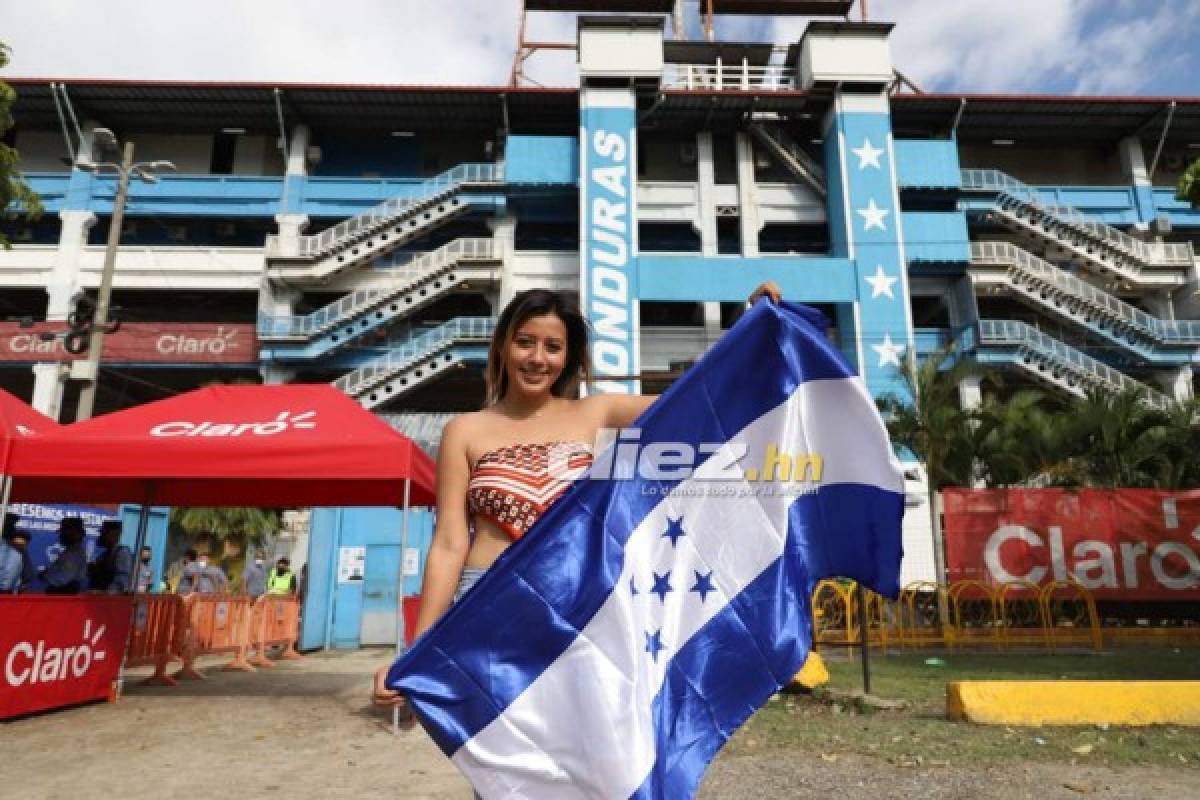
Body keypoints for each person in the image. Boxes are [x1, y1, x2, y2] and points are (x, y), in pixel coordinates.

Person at [372, 284, 781, 715]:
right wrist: (415, 652)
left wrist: (748, 332)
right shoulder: (464, 431)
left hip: (576, 606)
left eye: (553, 347)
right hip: (486, 608)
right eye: (525, 341)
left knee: (582, 755)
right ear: (504, 345)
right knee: (499, 759)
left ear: (568, 357)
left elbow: (700, 404)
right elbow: (450, 544)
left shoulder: (596, 413)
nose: (537, 358)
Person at [41, 516, 88, 595]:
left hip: (62, 593)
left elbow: (62, 579)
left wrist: (45, 577)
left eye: (65, 532)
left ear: (75, 534)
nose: (61, 535)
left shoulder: (74, 554)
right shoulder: (70, 551)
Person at [88, 519, 134, 593]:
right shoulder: (104, 554)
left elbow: (122, 579)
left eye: (103, 533)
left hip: (109, 600)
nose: (100, 537)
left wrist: (105, 592)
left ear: (114, 534)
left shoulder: (122, 553)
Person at [1, 513, 31, 593]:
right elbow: (28, 575)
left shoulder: (17, 547)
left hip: (7, 591)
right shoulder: (16, 547)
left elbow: (27, 574)